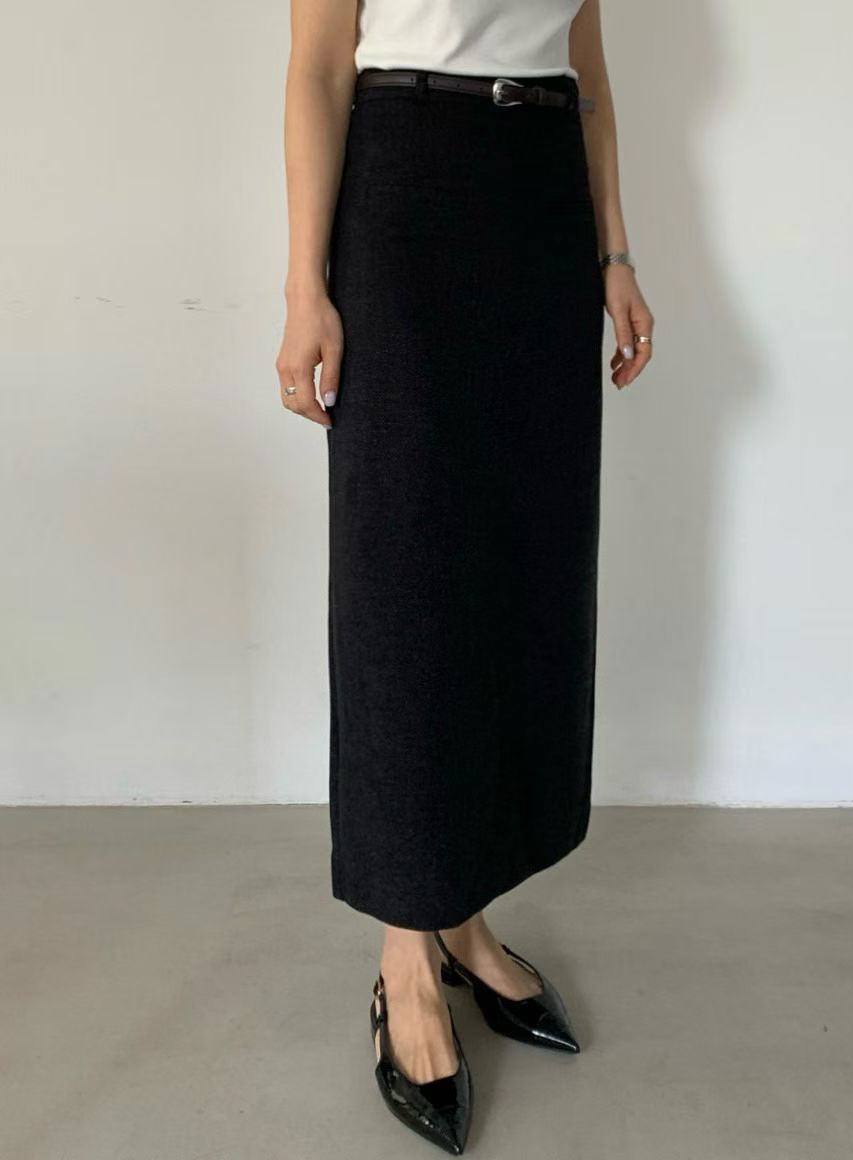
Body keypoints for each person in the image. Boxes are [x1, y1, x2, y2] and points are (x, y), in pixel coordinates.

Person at [276, 0, 654, 1152]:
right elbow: (318, 66)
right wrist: (304, 286)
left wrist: (615, 254)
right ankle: (407, 943)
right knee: (404, 572)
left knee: (519, 572)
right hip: (409, 183)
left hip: (539, 195)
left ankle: (464, 912)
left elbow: (588, 76)